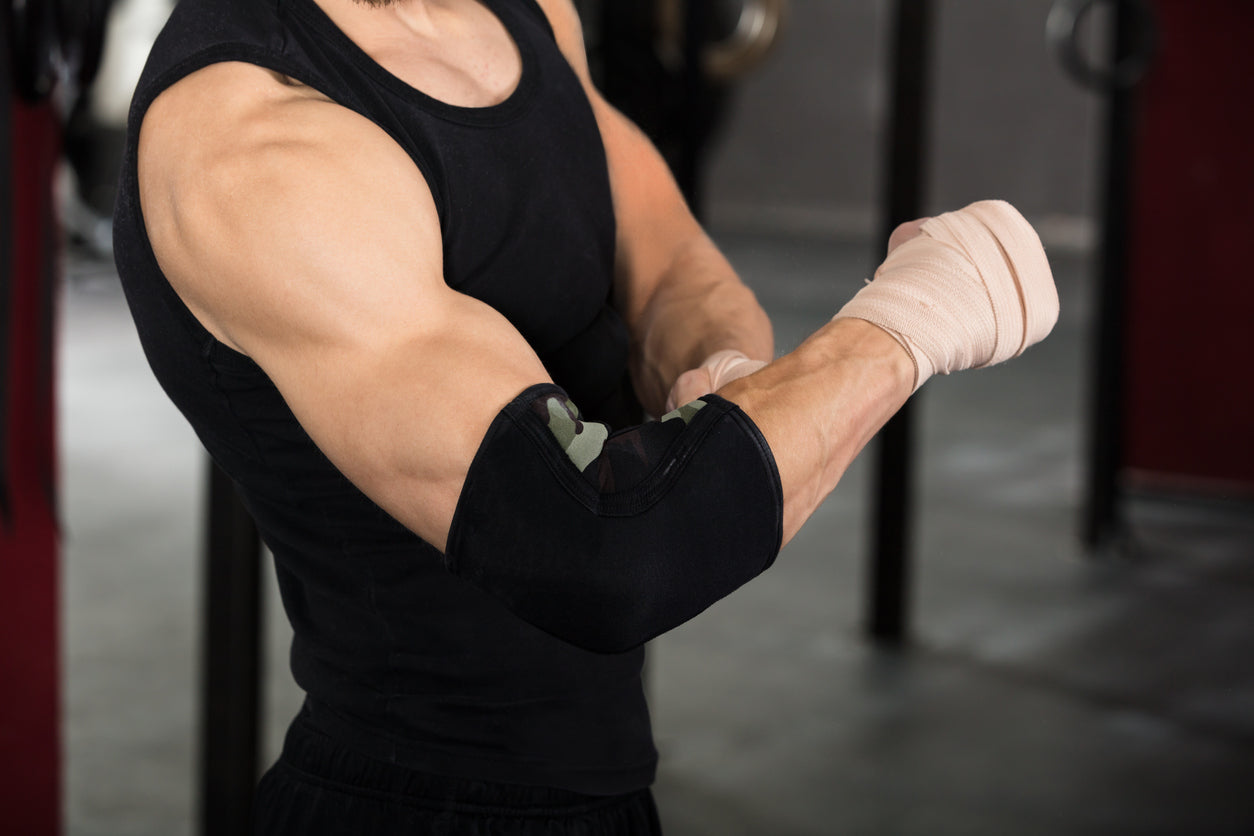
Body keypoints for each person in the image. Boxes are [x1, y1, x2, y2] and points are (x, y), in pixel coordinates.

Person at [112, 0, 1058, 832]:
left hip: (604, 787)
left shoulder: (524, 14)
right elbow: (595, 549)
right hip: (415, 800)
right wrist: (906, 327)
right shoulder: (253, 142)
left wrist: (716, 373)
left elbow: (668, 261)